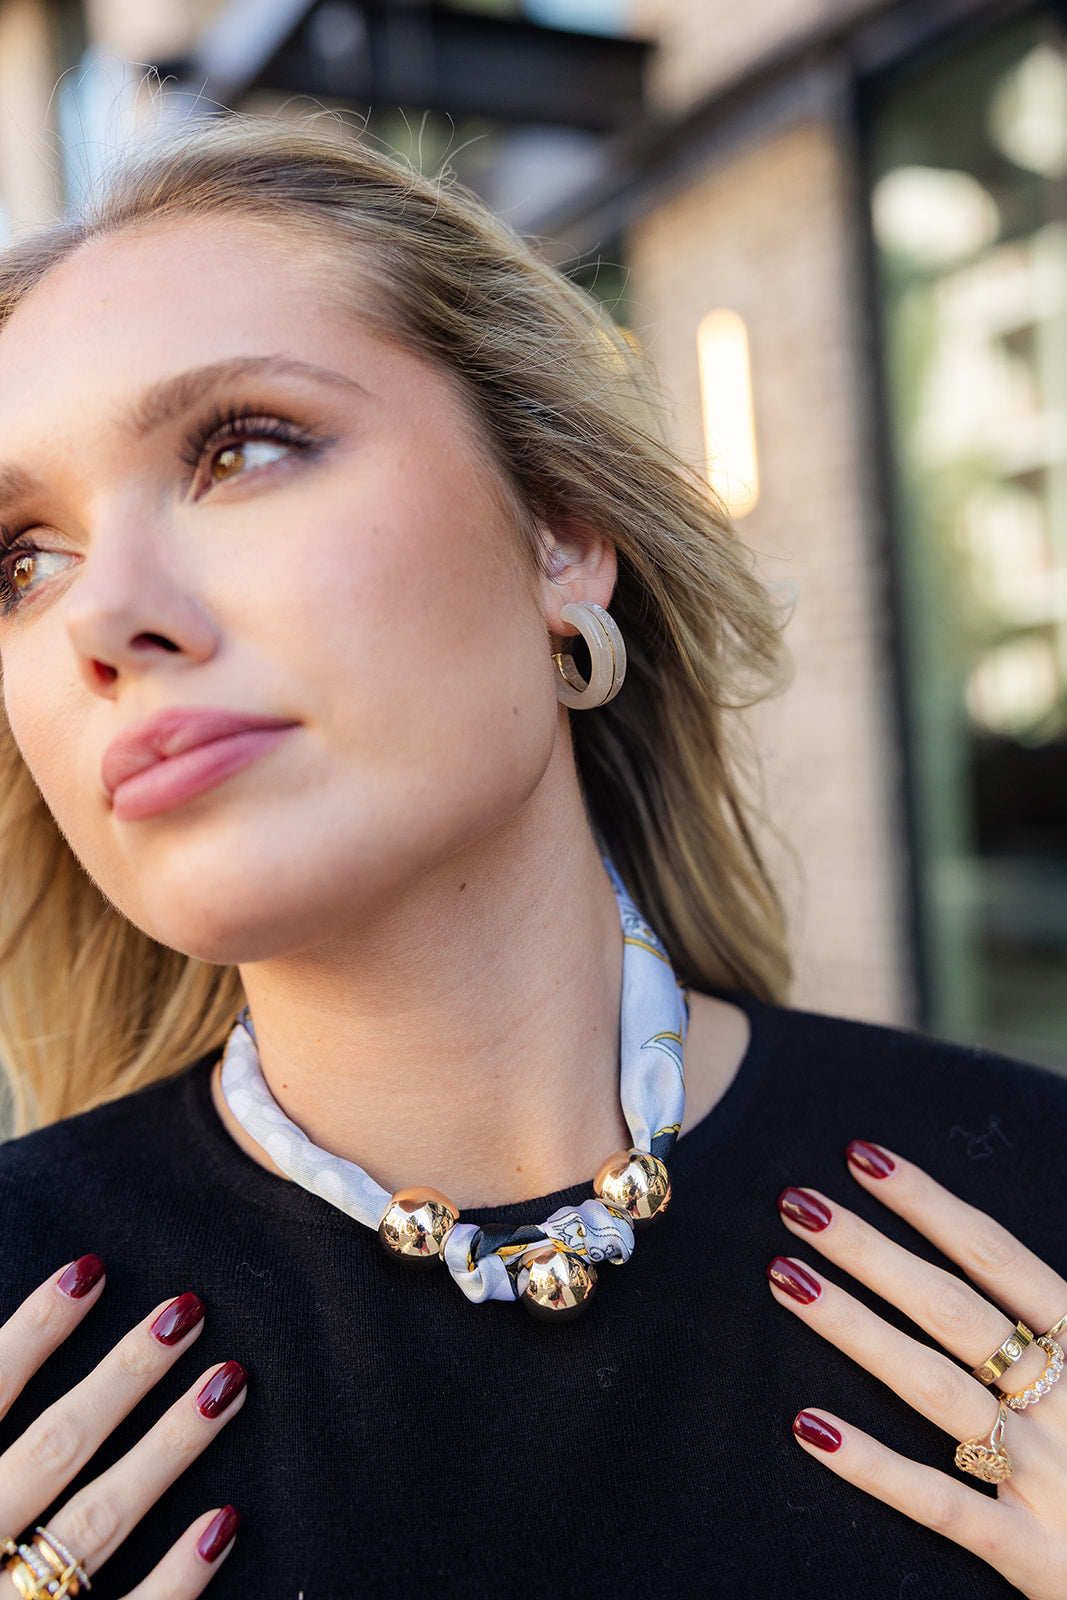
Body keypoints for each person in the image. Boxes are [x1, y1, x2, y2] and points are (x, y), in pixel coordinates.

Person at [0, 118, 1064, 1600]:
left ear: (559, 534)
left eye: (241, 449)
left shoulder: (1034, 1214)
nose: (104, 616)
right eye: (20, 561)